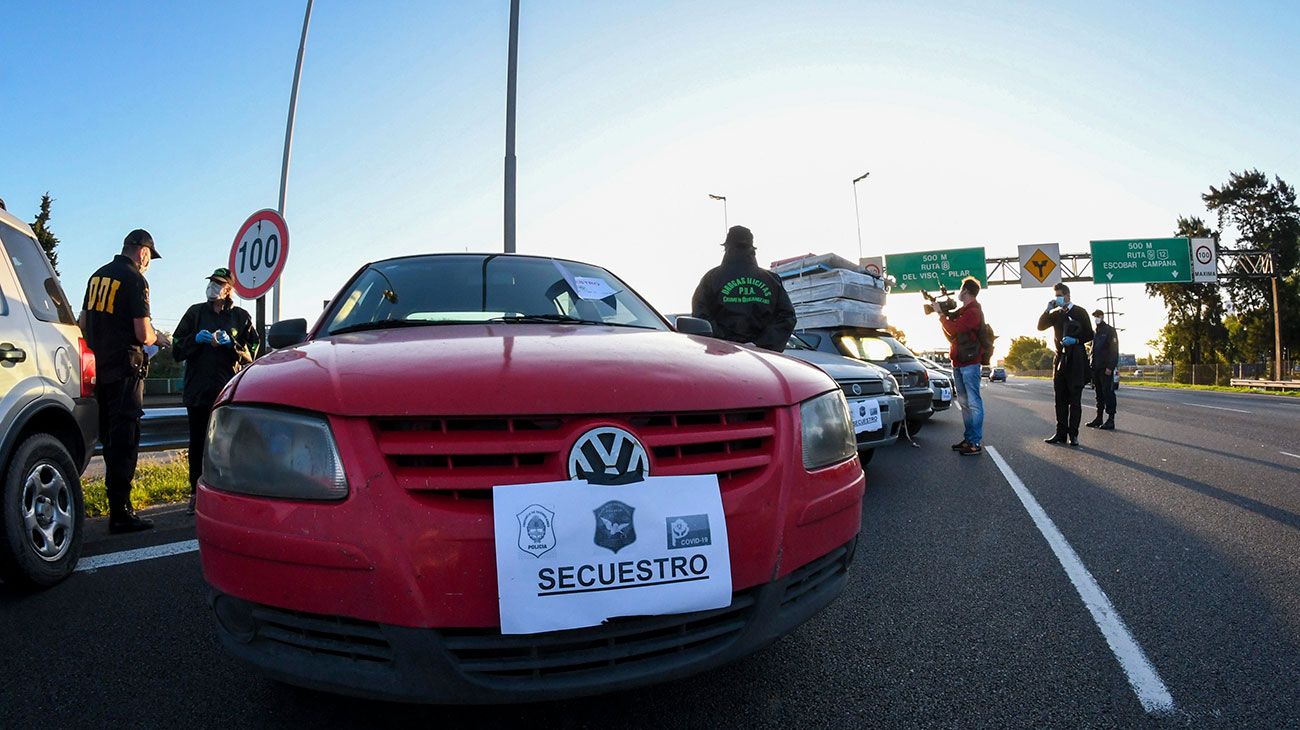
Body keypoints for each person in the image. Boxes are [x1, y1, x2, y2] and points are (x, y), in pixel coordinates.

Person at [79, 229, 168, 532]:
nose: (148, 263)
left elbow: (82, 323)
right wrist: (160, 338)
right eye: (150, 258)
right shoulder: (135, 279)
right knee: (125, 443)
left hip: (97, 372)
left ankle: (114, 506)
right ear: (143, 252)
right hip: (126, 373)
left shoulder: (97, 277)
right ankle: (121, 513)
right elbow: (143, 334)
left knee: (108, 440)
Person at [172, 268, 259, 514]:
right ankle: (195, 494)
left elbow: (252, 351)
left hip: (227, 391)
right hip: (198, 391)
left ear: (228, 289)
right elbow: (177, 348)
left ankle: (230, 494)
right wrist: (194, 341)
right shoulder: (195, 313)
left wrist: (233, 344)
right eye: (211, 283)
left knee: (230, 444)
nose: (213, 288)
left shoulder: (240, 317)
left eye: (218, 284)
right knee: (198, 444)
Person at [691, 225, 796, 352]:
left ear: (726, 248)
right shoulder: (771, 280)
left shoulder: (712, 278)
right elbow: (787, 317)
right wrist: (759, 344)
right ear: (753, 249)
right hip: (763, 358)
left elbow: (700, 316)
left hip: (721, 356)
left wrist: (724, 341)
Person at [1037, 283, 1094, 446]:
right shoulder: (1056, 314)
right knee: (1060, 399)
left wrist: (1076, 340)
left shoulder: (1080, 312)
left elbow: (1089, 334)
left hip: (1076, 359)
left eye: (1059, 295)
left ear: (1067, 295)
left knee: (1074, 400)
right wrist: (1047, 309)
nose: (1057, 298)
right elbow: (1040, 327)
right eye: (1055, 296)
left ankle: (1073, 435)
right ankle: (1060, 433)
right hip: (1060, 359)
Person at [937, 277, 985, 456]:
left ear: (966, 291)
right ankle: (969, 439)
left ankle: (975, 443)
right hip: (959, 362)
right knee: (964, 404)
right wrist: (943, 313)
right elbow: (951, 331)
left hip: (970, 364)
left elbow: (954, 329)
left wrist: (941, 316)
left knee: (974, 403)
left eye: (960, 289)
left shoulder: (973, 312)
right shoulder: (964, 311)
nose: (958, 291)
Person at [1086, 309, 1119, 431]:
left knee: (1108, 393)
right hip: (1096, 368)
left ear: (1102, 316)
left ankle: (1111, 420)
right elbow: (1093, 350)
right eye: (1094, 316)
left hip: (1105, 368)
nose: (1096, 318)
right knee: (1098, 394)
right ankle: (1098, 418)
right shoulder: (1096, 331)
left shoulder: (1109, 330)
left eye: (1098, 316)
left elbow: (1114, 350)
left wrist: (1110, 367)